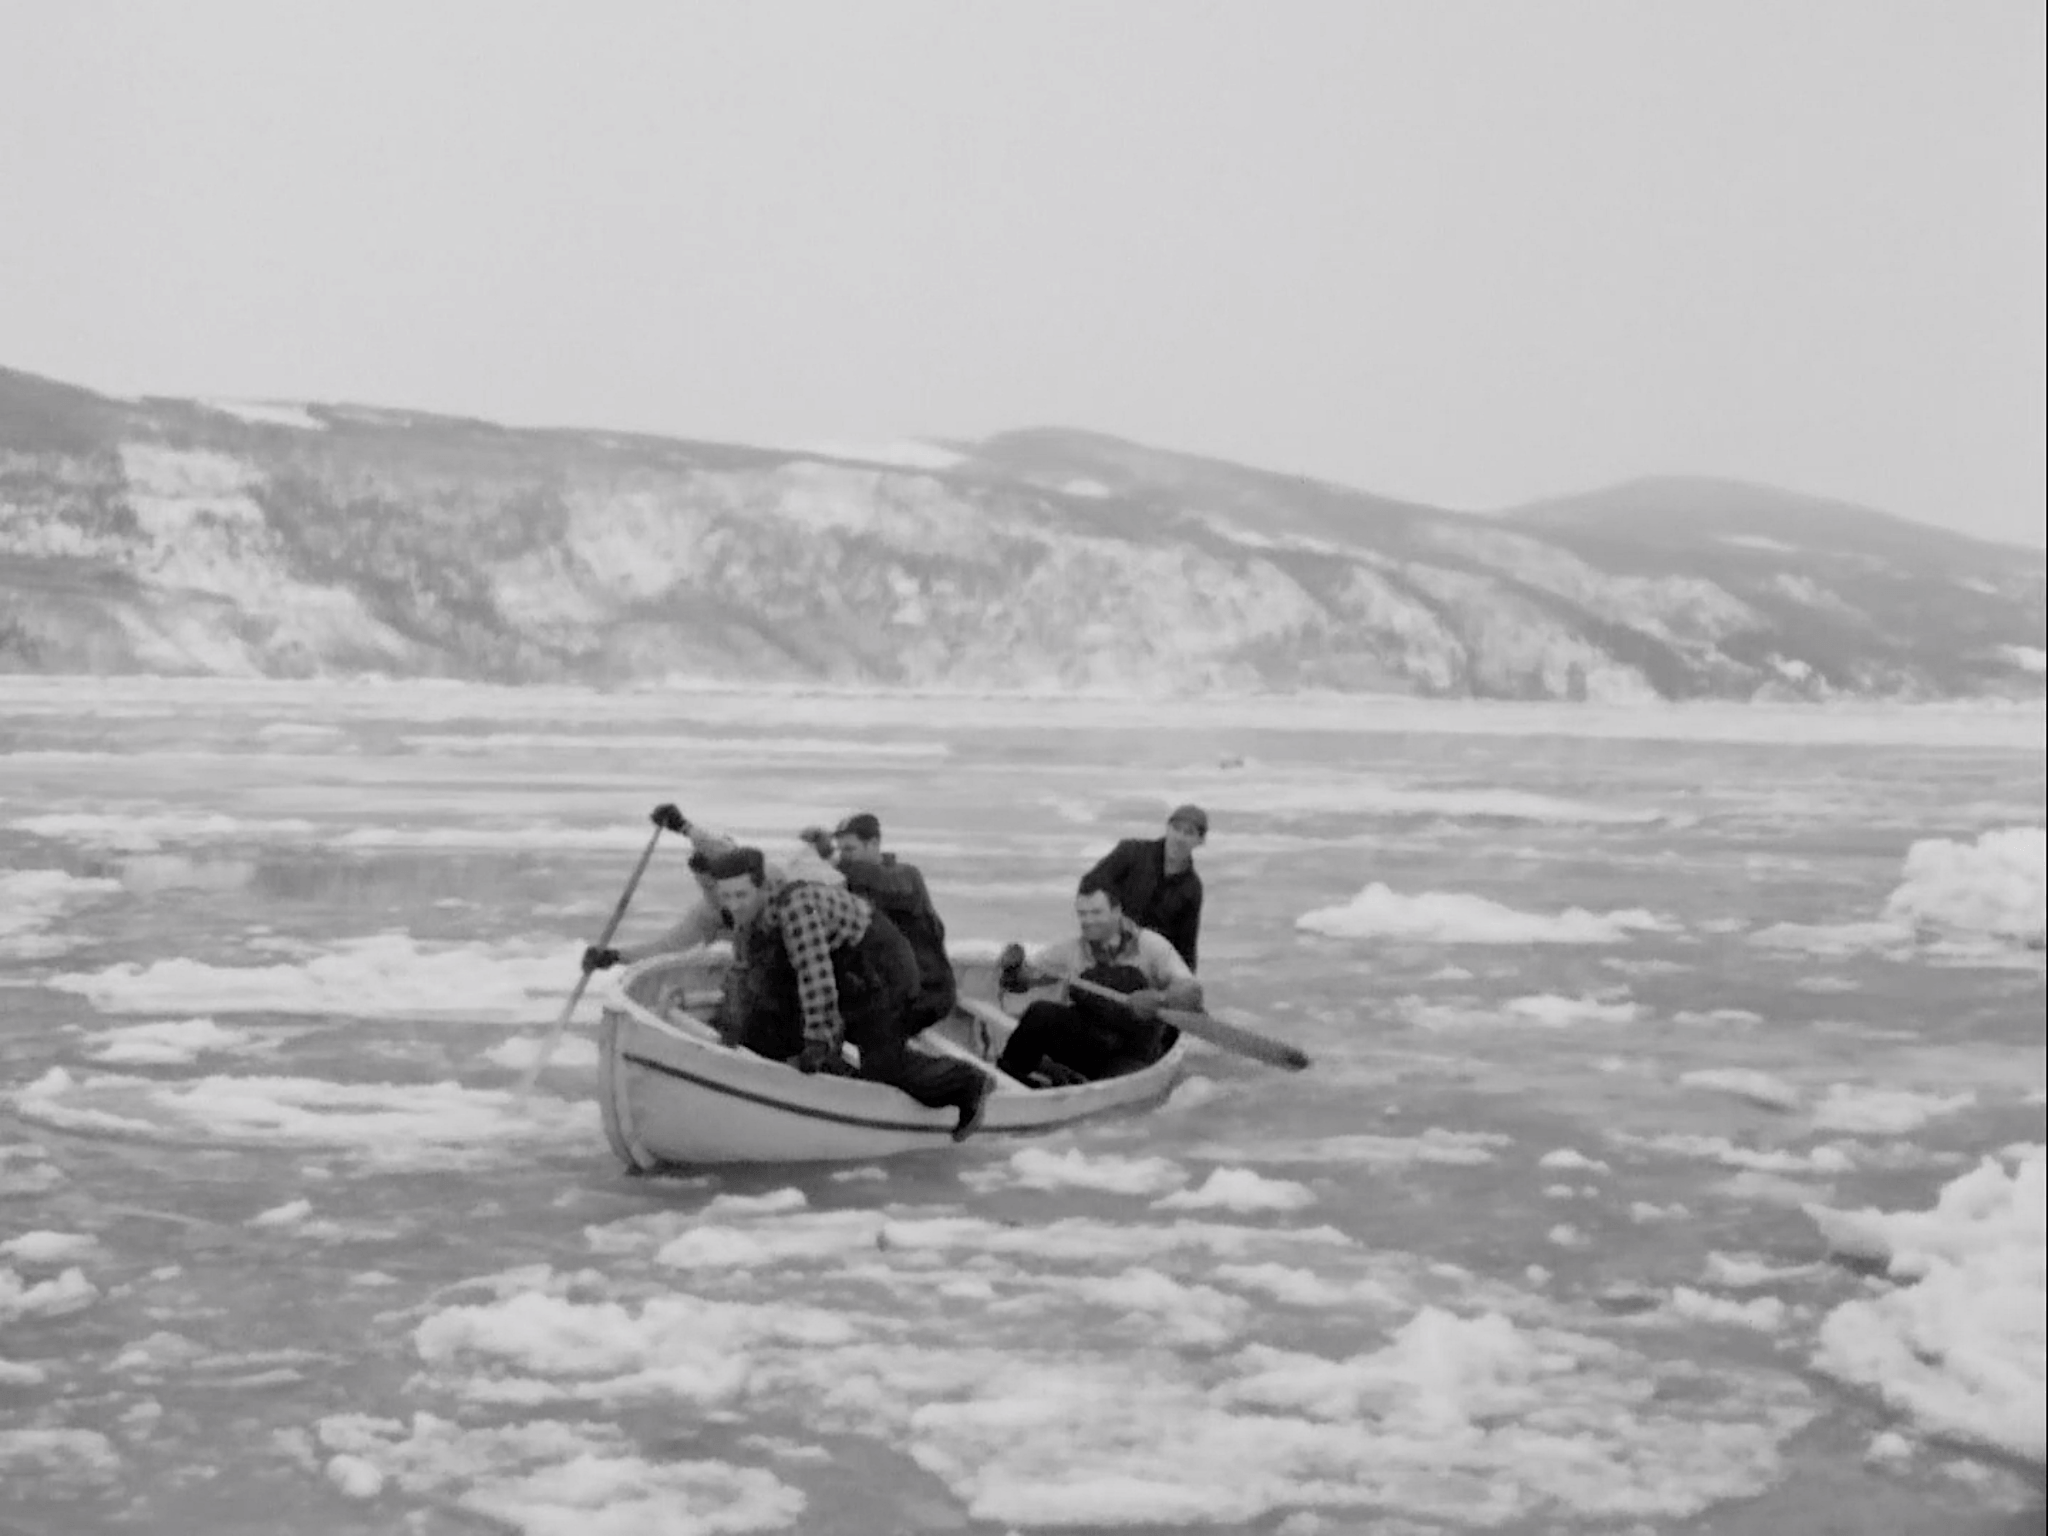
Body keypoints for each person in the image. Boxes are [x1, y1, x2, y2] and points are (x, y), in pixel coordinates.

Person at [703, 844, 989, 1140]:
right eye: (726, 897)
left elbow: (816, 976)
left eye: (741, 895)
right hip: (843, 970)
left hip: (879, 968)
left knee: (884, 1068)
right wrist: (730, 1030)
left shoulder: (800, 907)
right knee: (764, 1023)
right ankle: (826, 1068)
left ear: (762, 887)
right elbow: (741, 972)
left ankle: (966, 1082)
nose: (734, 905)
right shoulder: (746, 916)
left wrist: (817, 1041)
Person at [993, 875, 1203, 1086]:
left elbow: (1192, 991)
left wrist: (1160, 998)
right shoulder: (1071, 950)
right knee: (1040, 1013)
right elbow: (1025, 980)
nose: (1088, 921)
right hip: (1089, 1044)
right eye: (1082, 914)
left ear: (1117, 911)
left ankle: (1065, 1076)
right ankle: (1009, 1077)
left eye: (1096, 912)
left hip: (1132, 1054)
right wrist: (1012, 969)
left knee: (1119, 1075)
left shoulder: (1152, 946)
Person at [818, 812, 957, 1032]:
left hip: (926, 991)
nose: (845, 858)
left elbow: (887, 884)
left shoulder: (906, 877)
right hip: (883, 989)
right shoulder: (850, 889)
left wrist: (835, 859)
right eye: (841, 851)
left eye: (850, 850)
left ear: (874, 844)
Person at [1081, 804, 1207, 971]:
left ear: (1200, 841)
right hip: (1102, 949)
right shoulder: (1132, 852)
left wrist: (1187, 984)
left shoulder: (1192, 888)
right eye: (1176, 829)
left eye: (1189, 833)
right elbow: (1090, 884)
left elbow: (1185, 945)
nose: (1180, 838)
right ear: (1167, 828)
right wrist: (1113, 917)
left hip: (1147, 965)